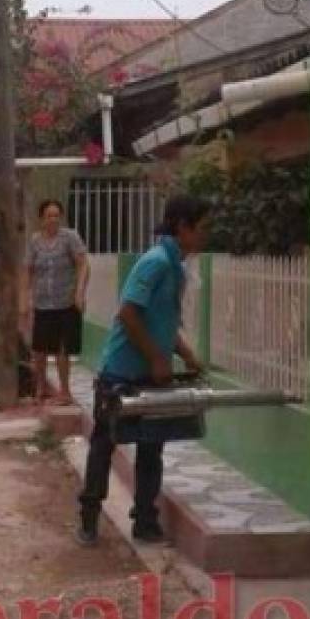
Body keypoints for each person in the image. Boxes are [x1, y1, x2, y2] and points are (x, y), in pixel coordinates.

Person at [77, 196, 209, 548]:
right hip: (122, 371)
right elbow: (129, 314)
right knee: (104, 444)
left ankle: (145, 521)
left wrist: (185, 354)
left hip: (150, 372)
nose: (205, 235)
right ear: (183, 227)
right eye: (202, 227)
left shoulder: (174, 264)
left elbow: (161, 322)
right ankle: (89, 516)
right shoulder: (156, 263)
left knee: (152, 446)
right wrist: (157, 358)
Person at [22, 200, 90, 406]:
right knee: (39, 349)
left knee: (63, 348)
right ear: (41, 218)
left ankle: (65, 391)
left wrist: (79, 292)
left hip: (66, 302)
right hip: (43, 303)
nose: (53, 219)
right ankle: (41, 387)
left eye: (56, 215)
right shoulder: (34, 242)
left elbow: (83, 264)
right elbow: (27, 270)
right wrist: (24, 299)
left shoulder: (69, 237)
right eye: (49, 216)